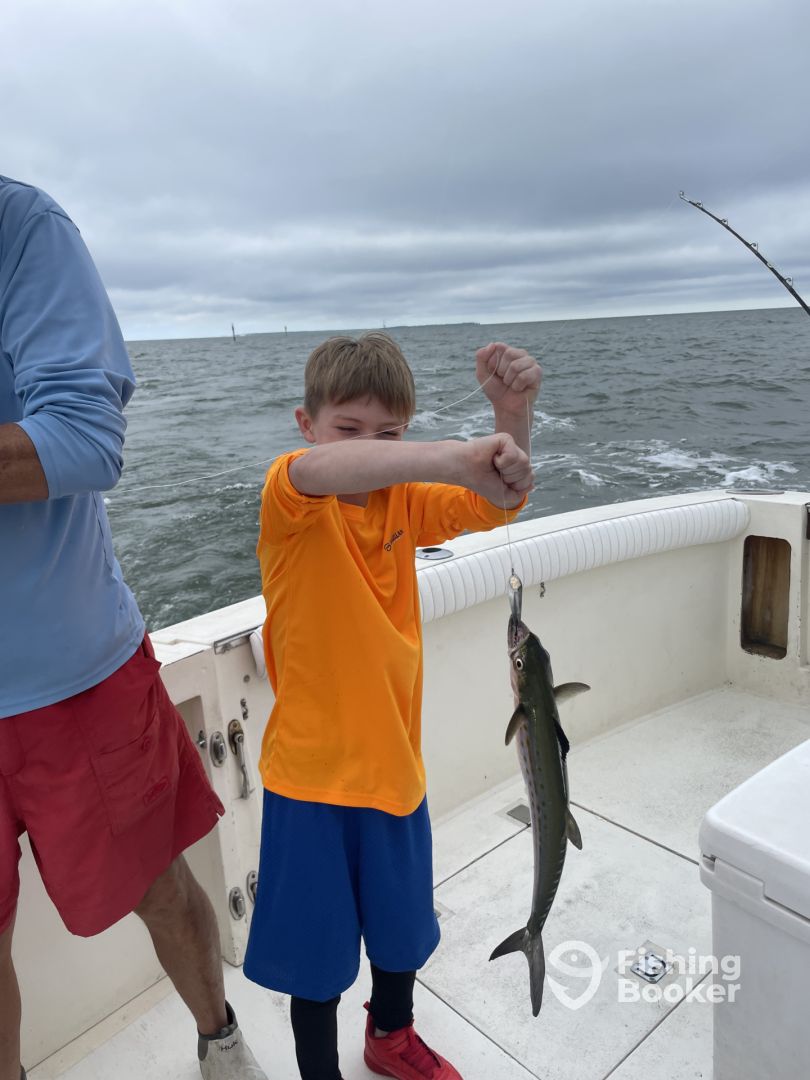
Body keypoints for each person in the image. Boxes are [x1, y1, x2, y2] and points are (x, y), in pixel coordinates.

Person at [0, 175, 267, 1080]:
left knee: (159, 886)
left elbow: (85, 437)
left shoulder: (20, 225)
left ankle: (220, 1040)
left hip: (74, 675)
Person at [244, 332, 541, 1080]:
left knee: (402, 936)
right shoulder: (290, 496)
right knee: (316, 969)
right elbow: (318, 471)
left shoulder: (404, 499)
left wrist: (511, 417)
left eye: (390, 434)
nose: (370, 448)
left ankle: (390, 1035)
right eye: (348, 428)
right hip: (310, 783)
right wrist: (446, 455)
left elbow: (500, 499)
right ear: (306, 424)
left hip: (396, 768)